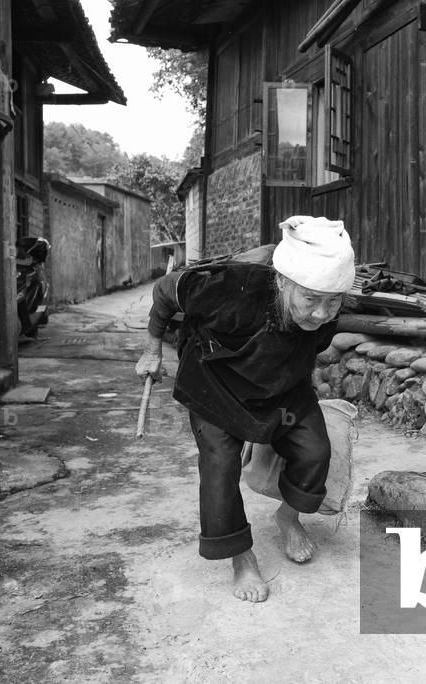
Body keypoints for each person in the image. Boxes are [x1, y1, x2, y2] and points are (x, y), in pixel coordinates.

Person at [135, 215, 355, 602]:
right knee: (220, 469)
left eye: (332, 302)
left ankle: (287, 518)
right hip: (214, 388)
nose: (322, 314)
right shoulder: (230, 289)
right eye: (310, 300)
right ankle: (241, 558)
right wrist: (152, 348)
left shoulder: (328, 310)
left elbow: (309, 341)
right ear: (283, 282)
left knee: (315, 451)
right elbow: (166, 291)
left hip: (282, 388)